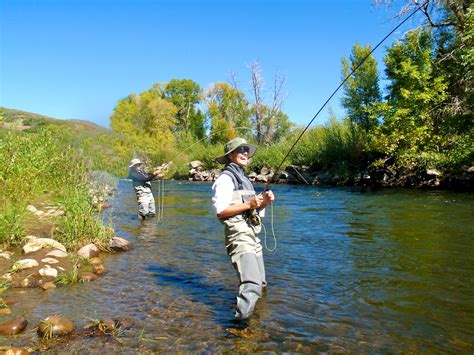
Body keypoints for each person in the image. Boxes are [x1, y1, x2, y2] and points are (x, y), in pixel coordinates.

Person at [211, 137, 275, 320]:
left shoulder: (243, 178)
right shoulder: (225, 179)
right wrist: (249, 204)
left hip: (252, 235)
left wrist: (264, 203)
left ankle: (255, 319)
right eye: (240, 150)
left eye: (246, 149)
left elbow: (251, 208)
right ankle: (239, 327)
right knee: (252, 284)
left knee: (261, 284)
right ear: (230, 155)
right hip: (238, 236)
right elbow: (220, 211)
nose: (245, 153)